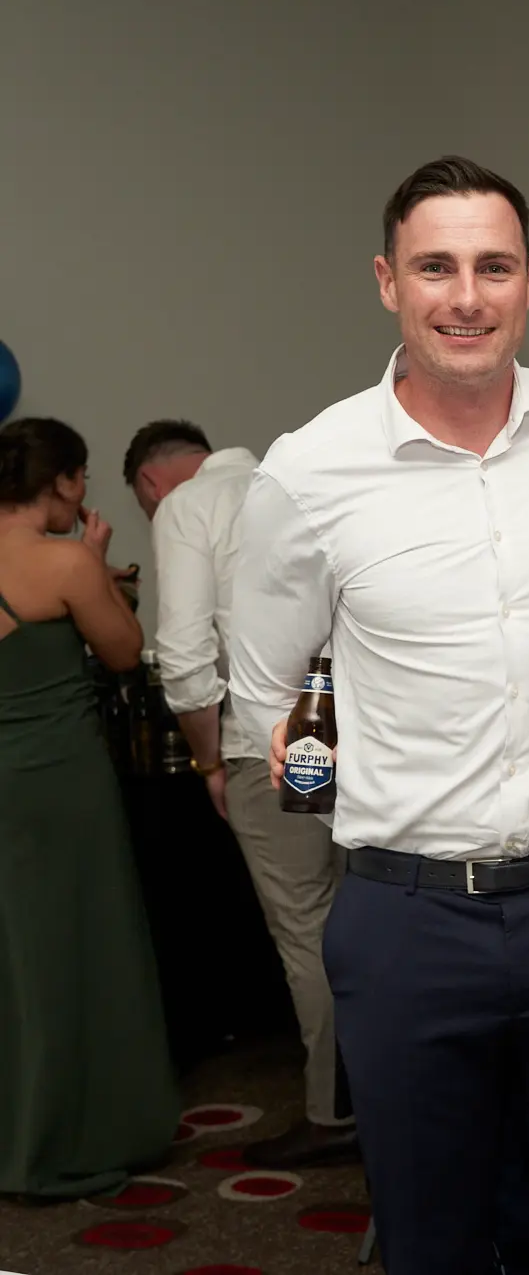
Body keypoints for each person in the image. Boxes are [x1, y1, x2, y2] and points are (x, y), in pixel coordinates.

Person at [227, 157, 529, 1275]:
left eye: (492, 267)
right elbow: (272, 689)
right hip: (411, 918)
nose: (465, 296)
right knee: (432, 1237)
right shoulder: (310, 470)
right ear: (387, 281)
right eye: (435, 267)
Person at [123, 418, 356, 1170]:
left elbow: (187, 656)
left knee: (308, 926)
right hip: (355, 733)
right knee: (369, 918)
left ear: (152, 485)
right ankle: (398, 1097)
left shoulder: (188, 507)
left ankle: (334, 1111)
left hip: (266, 740)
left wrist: (208, 763)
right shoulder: (303, 479)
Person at [0, 417, 181, 1198]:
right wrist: (97, 568)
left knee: (17, 956)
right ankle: (76, 1132)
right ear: (64, 481)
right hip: (63, 778)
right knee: (83, 945)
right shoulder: (66, 560)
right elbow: (123, 650)